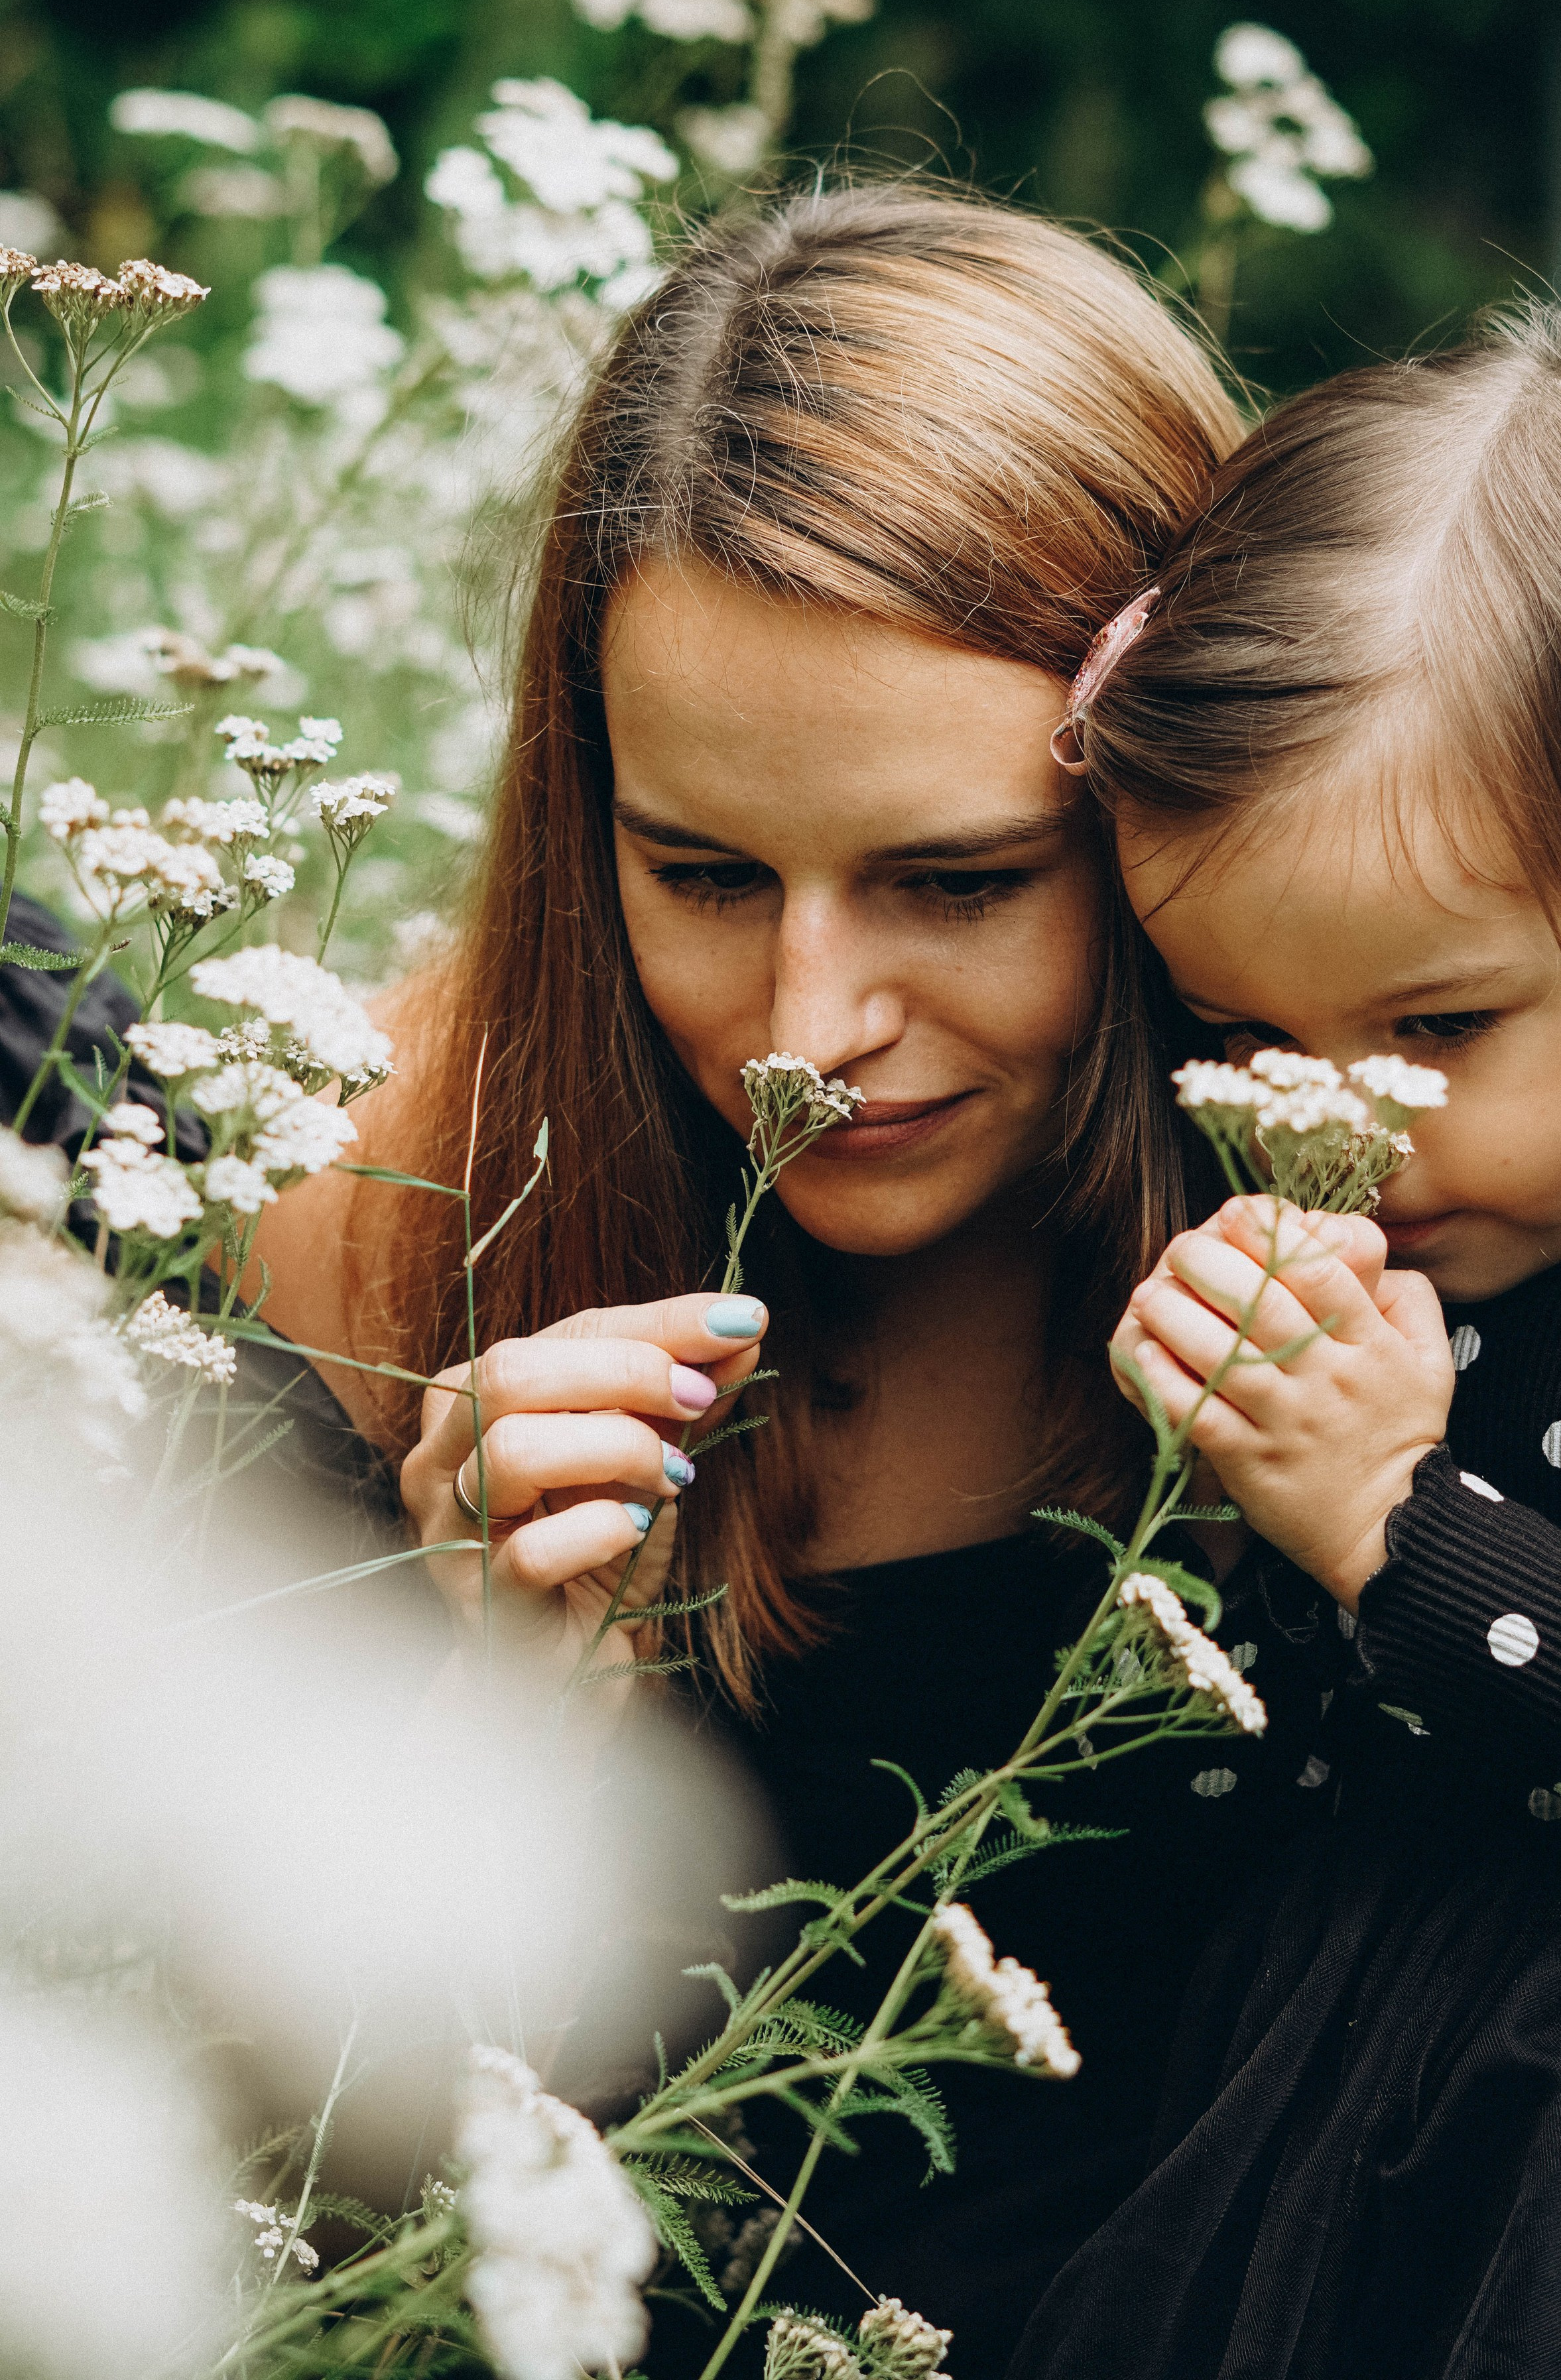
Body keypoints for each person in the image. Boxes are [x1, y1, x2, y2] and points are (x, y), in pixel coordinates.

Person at [246, 184, 1334, 2372]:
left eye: (957, 880)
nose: (803, 1031)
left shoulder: (1423, 1195)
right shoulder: (389, 1195)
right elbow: (271, 2190)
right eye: (707, 872)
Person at [1015, 305, 1561, 2380]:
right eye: (1244, 1039)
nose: (1338, 1124)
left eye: (1437, 1029)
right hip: (1305, 2123)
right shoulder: (1377, 1253)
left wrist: (1400, 1524)